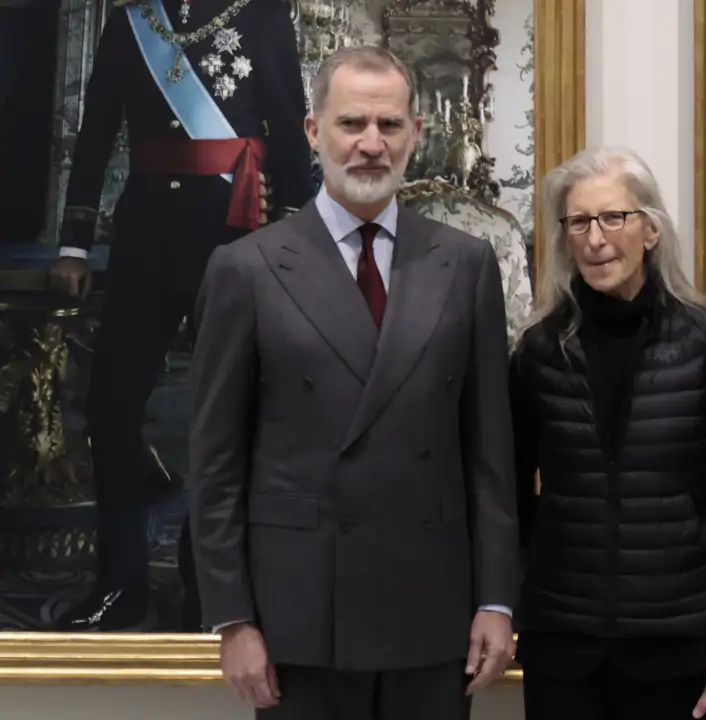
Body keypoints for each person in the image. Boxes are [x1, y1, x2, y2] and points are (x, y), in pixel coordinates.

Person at [187, 46, 518, 719]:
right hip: (299, 618)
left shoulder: (467, 264)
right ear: (314, 132)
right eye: (351, 124)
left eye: (389, 125)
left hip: (432, 610)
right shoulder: (245, 269)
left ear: (415, 135)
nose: (371, 144)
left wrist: (495, 599)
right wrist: (233, 619)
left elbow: (490, 456)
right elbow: (214, 464)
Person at [47, 0, 315, 631]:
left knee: (228, 418)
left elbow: (287, 125)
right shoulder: (132, 19)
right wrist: (74, 240)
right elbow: (95, 130)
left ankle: (209, 589)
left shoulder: (264, 16)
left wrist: (301, 242)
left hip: (234, 236)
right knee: (111, 408)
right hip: (143, 237)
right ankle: (119, 585)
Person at [508, 146, 706, 720]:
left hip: (679, 650)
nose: (596, 238)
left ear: (650, 230)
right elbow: (510, 500)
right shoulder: (537, 351)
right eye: (579, 222)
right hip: (564, 648)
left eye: (613, 218)